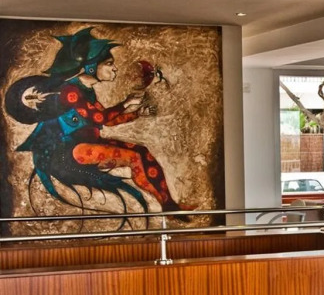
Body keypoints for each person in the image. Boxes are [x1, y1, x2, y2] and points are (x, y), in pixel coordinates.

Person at [6, 27, 192, 219]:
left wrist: (137, 113)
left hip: (86, 144)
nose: (114, 68)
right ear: (91, 67)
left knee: (141, 152)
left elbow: (107, 121)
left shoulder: (85, 91)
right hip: (72, 151)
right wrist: (125, 103)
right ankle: (168, 207)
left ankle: (169, 205)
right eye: (109, 63)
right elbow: (99, 118)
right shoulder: (70, 92)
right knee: (134, 157)